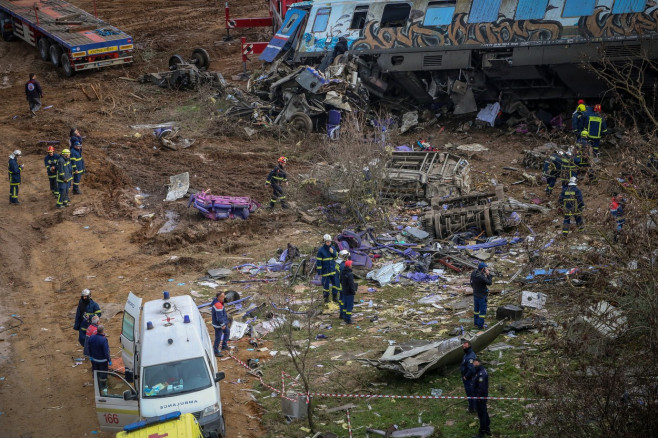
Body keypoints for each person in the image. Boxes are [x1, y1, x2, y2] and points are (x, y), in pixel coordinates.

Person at [471, 358, 491, 437]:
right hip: (481, 396)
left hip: (480, 397)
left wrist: (478, 397)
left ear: (477, 362)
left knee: (481, 414)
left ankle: (482, 432)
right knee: (484, 412)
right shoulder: (480, 371)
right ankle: (487, 428)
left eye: (474, 363)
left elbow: (481, 388)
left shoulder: (481, 374)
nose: (473, 365)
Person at [88, 325, 112, 391]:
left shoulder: (91, 337)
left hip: (94, 360)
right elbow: (106, 352)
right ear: (103, 331)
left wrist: (90, 356)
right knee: (103, 374)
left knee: (95, 371)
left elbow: (89, 347)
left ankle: (96, 383)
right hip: (103, 361)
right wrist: (109, 360)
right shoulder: (104, 340)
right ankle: (103, 386)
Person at [470, 262, 492, 330]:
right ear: (483, 269)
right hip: (482, 296)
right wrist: (488, 274)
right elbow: (489, 282)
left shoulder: (474, 273)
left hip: (476, 294)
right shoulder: (481, 277)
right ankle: (480, 326)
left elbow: (471, 282)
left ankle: (476, 323)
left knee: (476, 310)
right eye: (485, 268)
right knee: (482, 311)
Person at [316, 234, 337, 303]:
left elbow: (336, 257)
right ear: (324, 242)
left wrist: (333, 252)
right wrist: (320, 273)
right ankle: (326, 298)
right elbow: (319, 263)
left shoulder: (333, 248)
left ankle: (335, 297)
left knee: (335, 284)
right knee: (326, 286)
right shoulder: (321, 250)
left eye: (329, 242)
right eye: (327, 242)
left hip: (333, 270)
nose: (329, 243)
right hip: (325, 271)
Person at [460, 339, 478, 413]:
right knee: (470, 393)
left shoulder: (470, 357)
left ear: (469, 346)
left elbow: (472, 370)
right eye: (463, 347)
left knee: (471, 393)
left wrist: (466, 377)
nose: (464, 348)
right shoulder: (466, 354)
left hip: (469, 379)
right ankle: (473, 406)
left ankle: (472, 408)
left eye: (465, 347)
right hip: (467, 378)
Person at [211, 291, 230, 357]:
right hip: (219, 325)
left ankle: (224, 346)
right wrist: (222, 325)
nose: (224, 298)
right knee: (218, 338)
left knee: (227, 331)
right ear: (219, 297)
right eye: (222, 296)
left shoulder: (217, 302)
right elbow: (219, 317)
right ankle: (215, 351)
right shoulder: (218, 305)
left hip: (219, 323)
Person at [339, 260, 357, 324]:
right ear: (349, 265)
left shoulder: (342, 272)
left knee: (345, 305)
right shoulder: (350, 274)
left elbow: (340, 280)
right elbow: (351, 284)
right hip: (349, 292)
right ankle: (348, 319)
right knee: (349, 306)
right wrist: (353, 291)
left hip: (344, 291)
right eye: (351, 264)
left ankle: (344, 317)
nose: (352, 265)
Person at [336, 249, 350, 319]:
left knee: (341, 299)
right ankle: (343, 314)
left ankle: (341, 314)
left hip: (339, 284)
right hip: (343, 285)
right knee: (344, 300)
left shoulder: (339, 264)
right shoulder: (343, 266)